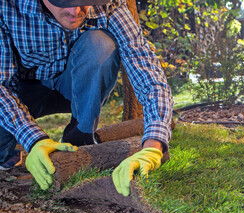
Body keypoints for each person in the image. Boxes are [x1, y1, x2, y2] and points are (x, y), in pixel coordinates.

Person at [0, 0, 173, 196]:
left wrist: (153, 146)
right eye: (64, 1)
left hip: (75, 85)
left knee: (100, 45)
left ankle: (78, 147)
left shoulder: (109, 4)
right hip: (21, 91)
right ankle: (7, 156)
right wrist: (34, 139)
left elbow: (145, 67)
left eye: (85, 1)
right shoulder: (7, 6)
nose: (75, 11)